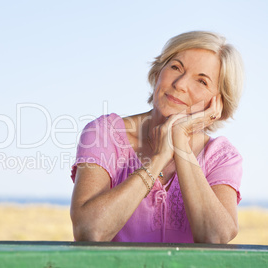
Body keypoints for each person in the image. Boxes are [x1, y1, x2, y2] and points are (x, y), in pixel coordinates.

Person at [69, 31, 244, 244]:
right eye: (176, 67)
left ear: (219, 103)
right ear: (158, 71)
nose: (180, 84)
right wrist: (159, 158)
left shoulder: (222, 157)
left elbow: (215, 236)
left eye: (202, 81)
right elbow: (89, 231)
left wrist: (179, 141)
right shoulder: (104, 134)